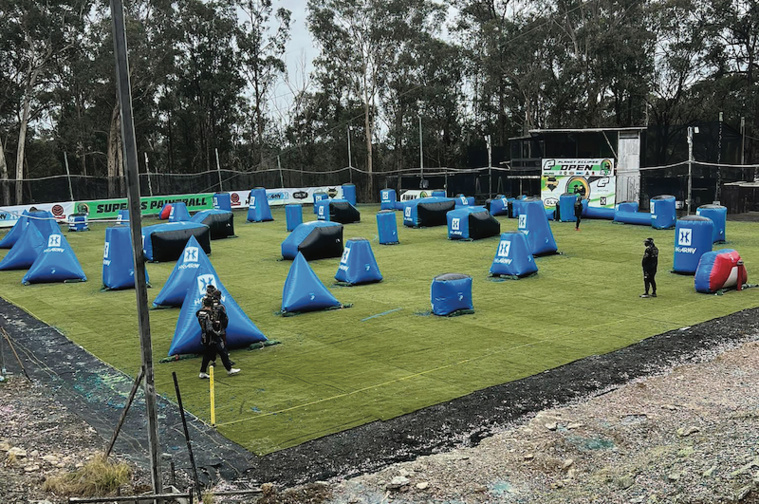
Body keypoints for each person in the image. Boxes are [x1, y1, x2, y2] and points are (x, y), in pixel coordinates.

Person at [197, 297, 240, 378]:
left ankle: (202, 372)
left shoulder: (200, 313)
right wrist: (217, 333)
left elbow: (204, 324)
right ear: (211, 304)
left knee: (207, 355)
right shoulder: (209, 314)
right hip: (212, 337)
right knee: (223, 351)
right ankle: (229, 370)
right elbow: (209, 328)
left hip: (204, 336)